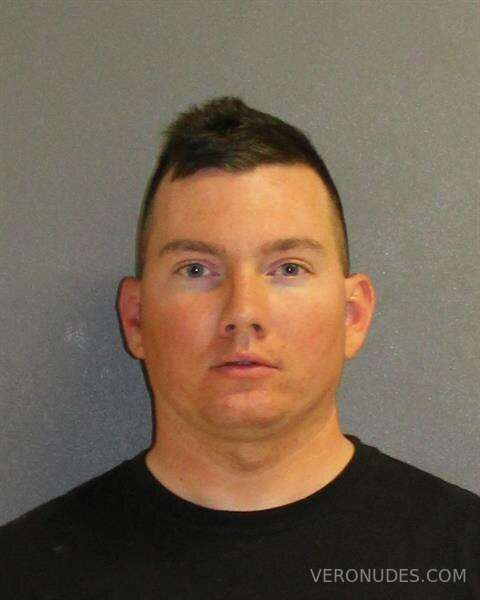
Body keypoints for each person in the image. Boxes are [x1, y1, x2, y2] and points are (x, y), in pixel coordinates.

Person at [1, 96, 478, 599]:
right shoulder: (20, 576)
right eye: (196, 269)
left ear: (352, 315)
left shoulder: (462, 559)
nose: (243, 311)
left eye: (288, 268)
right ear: (136, 318)